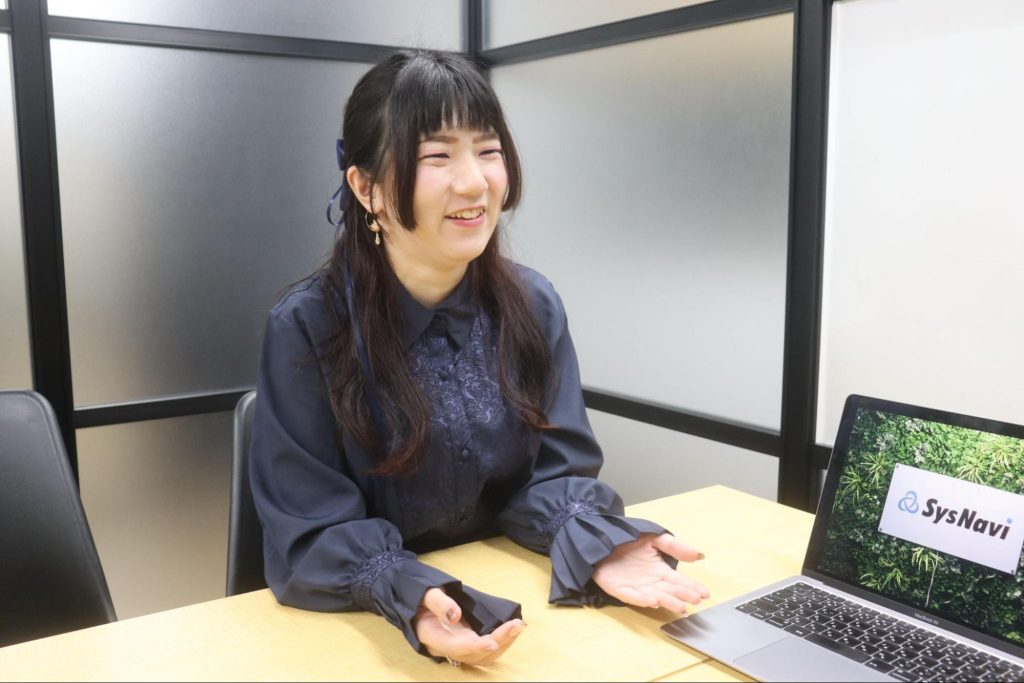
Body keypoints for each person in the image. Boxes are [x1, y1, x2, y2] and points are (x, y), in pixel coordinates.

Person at [249, 48, 710, 668]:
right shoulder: (308, 327)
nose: (474, 183)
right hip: (359, 635)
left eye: (488, 150)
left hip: (523, 609)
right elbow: (311, 530)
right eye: (436, 157)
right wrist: (411, 595)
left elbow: (555, 472)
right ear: (366, 187)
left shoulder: (533, 304)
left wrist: (596, 541)